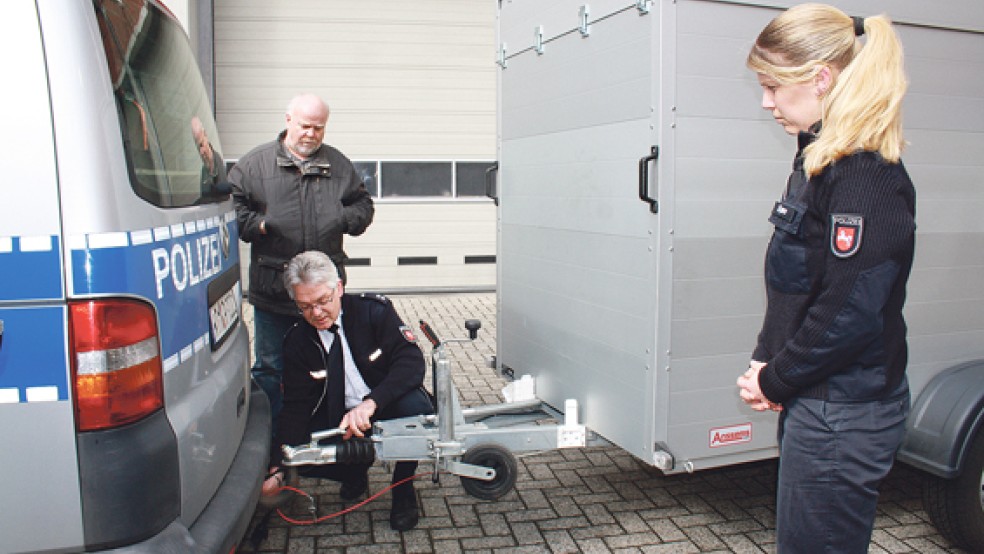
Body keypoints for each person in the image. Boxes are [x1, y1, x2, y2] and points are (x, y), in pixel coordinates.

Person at [735, 4, 915, 552]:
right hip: (818, 402)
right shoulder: (819, 159)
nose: (766, 102)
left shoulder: (864, 177)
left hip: (843, 413)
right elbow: (795, 280)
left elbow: (848, 312)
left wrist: (776, 379)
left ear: (820, 78)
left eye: (772, 86)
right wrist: (768, 359)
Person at [262, 251, 433, 531]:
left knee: (416, 411)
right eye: (305, 306)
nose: (316, 313)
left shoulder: (373, 312)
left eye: (323, 301)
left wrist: (370, 403)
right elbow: (295, 405)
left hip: (381, 404)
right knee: (302, 456)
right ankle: (354, 469)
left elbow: (411, 362)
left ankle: (403, 487)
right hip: (338, 418)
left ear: (338, 287)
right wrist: (279, 465)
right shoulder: (296, 341)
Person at [230, 93, 374, 422]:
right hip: (274, 293)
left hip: (323, 295)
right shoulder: (254, 165)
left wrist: (343, 218)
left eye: (318, 128)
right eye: (305, 126)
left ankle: (322, 431)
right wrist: (260, 225)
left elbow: (363, 206)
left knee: (327, 364)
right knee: (270, 369)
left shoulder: (338, 165)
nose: (311, 134)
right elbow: (232, 210)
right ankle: (273, 442)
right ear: (288, 121)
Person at [190, 115, 223, 191]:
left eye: (202, 145)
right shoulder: (203, 168)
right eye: (198, 147)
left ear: (205, 134)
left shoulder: (218, 162)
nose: (201, 152)